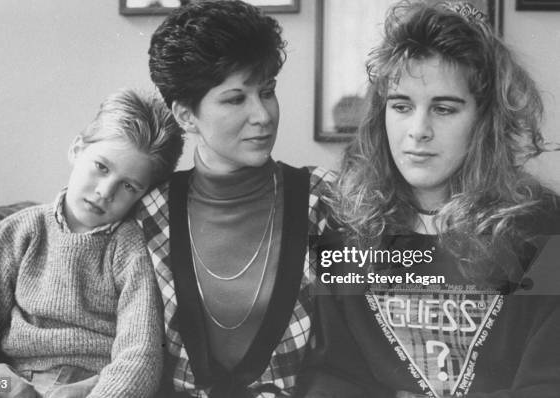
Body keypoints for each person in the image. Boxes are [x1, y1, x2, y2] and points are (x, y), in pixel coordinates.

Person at [303, 1, 560, 397]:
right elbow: (331, 378)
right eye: (402, 106)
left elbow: (548, 384)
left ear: (484, 119)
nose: (418, 130)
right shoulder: (345, 229)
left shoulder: (545, 229)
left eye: (443, 108)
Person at [138, 1, 334, 396]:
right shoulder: (147, 214)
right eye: (234, 99)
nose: (262, 115)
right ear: (186, 115)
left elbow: (354, 355)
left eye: (267, 92)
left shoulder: (324, 201)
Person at [0, 89, 183, 397]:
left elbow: (139, 352)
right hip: (11, 378)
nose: (105, 191)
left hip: (91, 385)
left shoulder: (131, 248)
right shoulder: (19, 230)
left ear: (144, 194)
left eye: (128, 186)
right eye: (101, 167)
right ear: (76, 150)